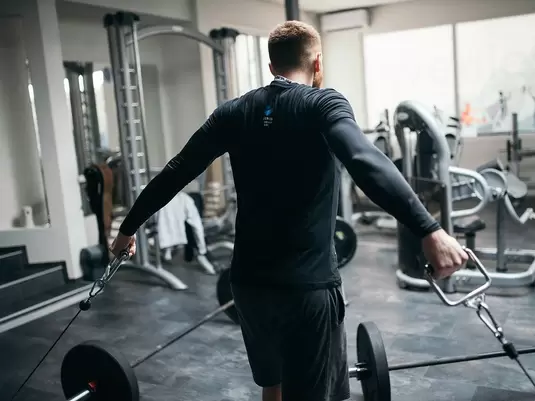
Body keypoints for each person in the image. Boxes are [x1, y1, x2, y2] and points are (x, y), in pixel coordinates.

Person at [110, 20, 468, 401]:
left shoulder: (232, 112)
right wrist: (429, 228)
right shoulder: (323, 103)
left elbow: (175, 172)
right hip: (306, 290)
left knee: (273, 385)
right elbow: (363, 159)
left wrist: (127, 228)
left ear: (271, 68)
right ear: (317, 64)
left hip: (249, 286)